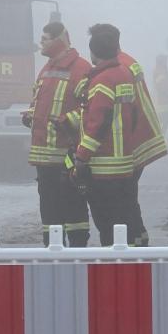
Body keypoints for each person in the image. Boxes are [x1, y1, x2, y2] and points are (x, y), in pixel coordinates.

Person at [87, 23, 167, 246]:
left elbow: (109, 114)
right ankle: (138, 240)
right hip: (136, 141)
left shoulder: (117, 69)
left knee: (119, 206)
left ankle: (130, 247)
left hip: (126, 145)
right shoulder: (128, 63)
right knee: (128, 200)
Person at [69, 25, 140, 246]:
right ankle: (127, 265)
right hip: (124, 164)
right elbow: (134, 114)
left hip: (103, 168)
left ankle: (113, 268)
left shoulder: (102, 80)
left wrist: (81, 158)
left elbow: (97, 124)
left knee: (107, 225)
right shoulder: (124, 74)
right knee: (123, 222)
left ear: (93, 52)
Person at [24, 21, 92, 247]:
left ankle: (78, 248)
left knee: (72, 203)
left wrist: (69, 121)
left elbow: (91, 108)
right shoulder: (46, 69)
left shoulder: (81, 69)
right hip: (43, 157)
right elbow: (39, 100)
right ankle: (52, 246)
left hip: (67, 153)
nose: (40, 43)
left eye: (45, 39)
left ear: (59, 40)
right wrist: (31, 115)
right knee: (49, 206)